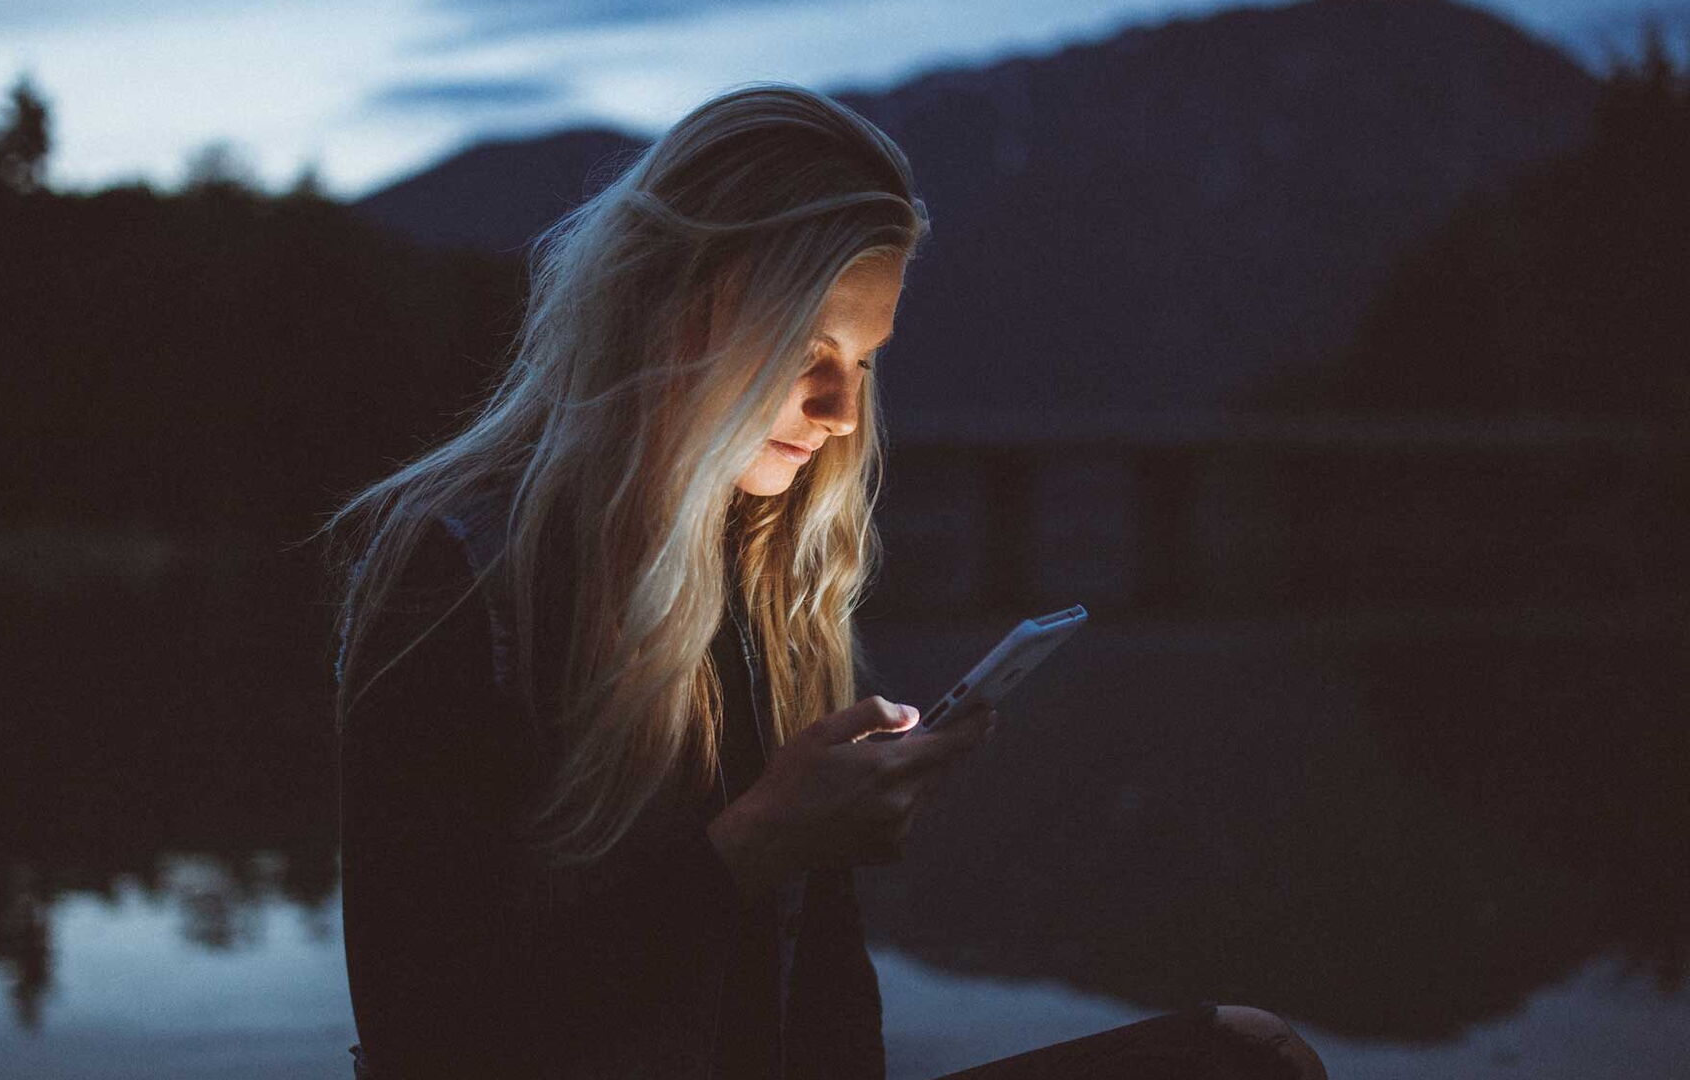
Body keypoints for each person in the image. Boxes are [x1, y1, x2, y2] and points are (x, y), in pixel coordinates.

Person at [320, 83, 1327, 1080]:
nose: (842, 410)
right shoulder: (456, 570)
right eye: (808, 350)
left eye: (864, 359)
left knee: (1248, 1056)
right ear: (670, 308)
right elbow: (428, 1035)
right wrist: (757, 845)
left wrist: (810, 837)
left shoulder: (761, 568)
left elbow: (825, 988)